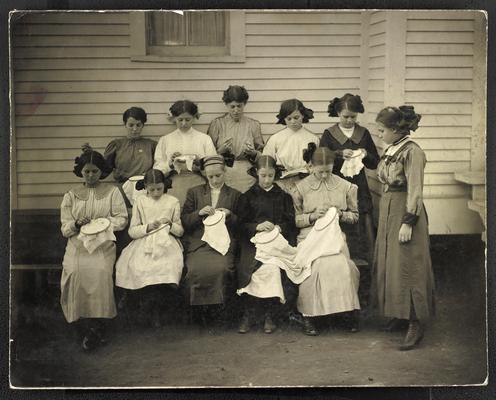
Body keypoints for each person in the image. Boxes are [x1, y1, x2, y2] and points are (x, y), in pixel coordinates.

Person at [371, 105, 435, 351]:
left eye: (381, 130)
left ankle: (415, 323)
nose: (379, 134)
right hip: (389, 209)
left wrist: (408, 222)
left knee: (408, 265)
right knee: (392, 263)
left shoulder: (413, 152)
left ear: (396, 129)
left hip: (406, 211)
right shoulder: (391, 149)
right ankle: (399, 315)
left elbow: (416, 189)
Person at [60, 147, 128, 351]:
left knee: (100, 272)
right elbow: (65, 228)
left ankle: (98, 326)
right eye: (87, 171)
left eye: (95, 172)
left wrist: (103, 222)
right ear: (80, 171)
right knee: (74, 272)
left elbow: (122, 219)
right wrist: (77, 224)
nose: (90, 175)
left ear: (102, 172)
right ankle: (81, 324)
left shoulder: (112, 192)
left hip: (103, 244)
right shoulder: (71, 195)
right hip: (77, 245)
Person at [293, 144, 361, 336]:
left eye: (328, 171)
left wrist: (340, 213)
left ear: (334, 166)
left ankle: (346, 312)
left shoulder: (345, 186)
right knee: (314, 268)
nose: (324, 175)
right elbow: (296, 220)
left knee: (343, 266)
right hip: (309, 238)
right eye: (320, 171)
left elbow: (355, 216)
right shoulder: (300, 188)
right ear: (311, 167)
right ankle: (309, 315)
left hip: (334, 237)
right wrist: (313, 216)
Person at [236, 155, 298, 334]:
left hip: (277, 243)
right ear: (256, 173)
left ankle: (270, 314)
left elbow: (290, 221)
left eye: (270, 175)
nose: (267, 179)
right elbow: (240, 224)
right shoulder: (247, 197)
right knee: (249, 267)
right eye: (263, 175)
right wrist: (256, 226)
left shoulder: (283, 196)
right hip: (253, 243)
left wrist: (279, 227)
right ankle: (250, 313)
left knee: (272, 268)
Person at [115, 169, 184, 328]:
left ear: (164, 185)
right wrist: (147, 227)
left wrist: (170, 224)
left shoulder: (172, 201)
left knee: (165, 265)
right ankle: (146, 308)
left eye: (159, 188)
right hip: (144, 241)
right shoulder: (140, 201)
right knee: (139, 265)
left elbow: (180, 231)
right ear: (145, 187)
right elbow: (132, 231)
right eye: (151, 189)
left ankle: (159, 311)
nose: (155, 192)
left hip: (167, 241)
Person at [181, 155, 241, 326]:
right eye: (210, 177)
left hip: (223, 243)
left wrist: (229, 215)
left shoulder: (235, 195)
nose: (214, 180)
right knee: (194, 269)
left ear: (225, 172)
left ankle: (218, 312)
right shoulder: (194, 192)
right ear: (205, 176)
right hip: (201, 243)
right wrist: (198, 214)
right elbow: (185, 220)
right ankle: (200, 313)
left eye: (218, 176)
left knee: (221, 268)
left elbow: (240, 224)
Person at [320, 94, 379, 265]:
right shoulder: (329, 134)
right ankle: (339, 257)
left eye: (353, 117)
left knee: (361, 214)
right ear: (338, 113)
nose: (349, 120)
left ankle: (365, 259)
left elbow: (374, 162)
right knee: (338, 214)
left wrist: (366, 154)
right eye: (345, 116)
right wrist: (338, 154)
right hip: (336, 184)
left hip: (359, 185)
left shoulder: (363, 133)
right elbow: (321, 157)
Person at [154, 100, 217, 206]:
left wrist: (199, 163)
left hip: (199, 182)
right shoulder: (165, 140)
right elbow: (157, 170)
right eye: (180, 120)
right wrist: (170, 164)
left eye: (188, 119)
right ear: (174, 118)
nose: (184, 123)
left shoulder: (204, 139)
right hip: (173, 183)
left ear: (194, 117)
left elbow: (214, 166)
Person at [208, 85, 264, 193]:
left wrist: (253, 153)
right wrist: (220, 151)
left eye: (239, 106)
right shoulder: (217, 124)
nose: (236, 110)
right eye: (232, 106)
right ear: (226, 105)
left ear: (245, 104)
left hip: (247, 173)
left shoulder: (253, 124)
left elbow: (262, 152)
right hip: (223, 171)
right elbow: (208, 154)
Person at [262, 99, 319, 197]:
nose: (293, 122)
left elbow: (318, 162)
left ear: (303, 115)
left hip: (306, 182)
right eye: (289, 119)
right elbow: (266, 161)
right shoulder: (275, 139)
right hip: (282, 183)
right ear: (284, 119)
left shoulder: (313, 138)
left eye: (296, 117)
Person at [104, 107, 157, 207]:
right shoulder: (116, 145)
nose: (135, 129)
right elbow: (104, 170)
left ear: (143, 125)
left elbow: (160, 167)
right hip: (122, 189)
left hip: (145, 189)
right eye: (131, 125)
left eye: (138, 125)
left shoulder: (151, 145)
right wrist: (91, 156)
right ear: (125, 124)